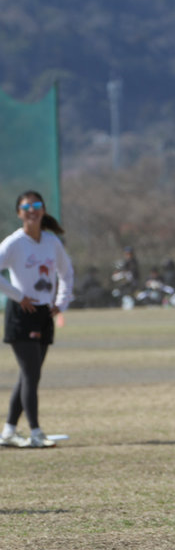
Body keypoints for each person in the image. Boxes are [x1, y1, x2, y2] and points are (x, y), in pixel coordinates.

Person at [0, 191, 74, 448]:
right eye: (26, 206)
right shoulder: (14, 243)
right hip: (22, 314)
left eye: (37, 205)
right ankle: (36, 433)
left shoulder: (51, 242)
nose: (32, 210)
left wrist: (61, 301)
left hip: (44, 312)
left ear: (43, 210)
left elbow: (67, 272)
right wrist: (18, 295)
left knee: (28, 375)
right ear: (19, 213)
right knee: (31, 375)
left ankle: (8, 432)